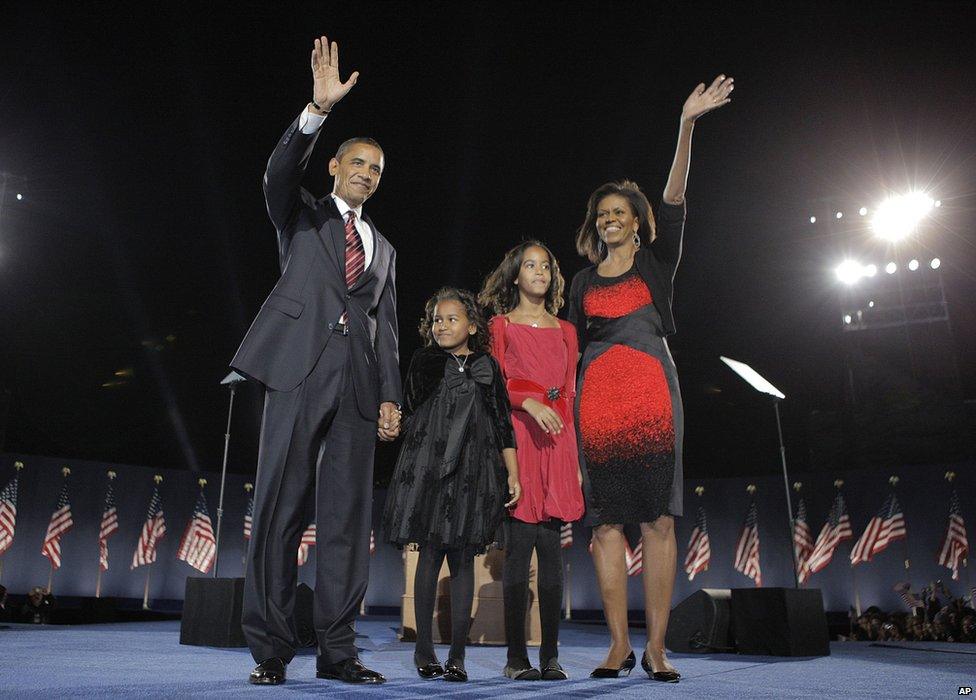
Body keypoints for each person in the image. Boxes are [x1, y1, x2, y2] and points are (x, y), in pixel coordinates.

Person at [230, 36, 402, 686]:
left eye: (377, 169)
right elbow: (276, 175)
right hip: (299, 373)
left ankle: (338, 652)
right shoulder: (299, 215)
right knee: (280, 508)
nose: (366, 173)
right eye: (357, 162)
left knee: (346, 521)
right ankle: (271, 650)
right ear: (334, 165)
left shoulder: (384, 249)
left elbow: (384, 328)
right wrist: (315, 111)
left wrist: (390, 395)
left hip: (358, 389)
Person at [567, 75, 734, 683]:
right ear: (596, 225)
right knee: (606, 523)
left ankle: (658, 649)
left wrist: (685, 124)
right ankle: (617, 647)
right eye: (602, 213)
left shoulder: (660, 263)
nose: (611, 218)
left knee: (659, 521)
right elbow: (568, 351)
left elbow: (674, 199)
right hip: (598, 405)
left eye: (621, 212)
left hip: (653, 398)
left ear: (637, 223)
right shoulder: (581, 284)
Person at [383, 287, 522, 683]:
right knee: (429, 554)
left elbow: (502, 423)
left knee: (463, 559)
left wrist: (512, 472)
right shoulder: (424, 361)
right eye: (436, 320)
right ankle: (424, 650)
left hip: (473, 471)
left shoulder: (487, 366)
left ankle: (458, 654)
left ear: (472, 325)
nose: (441, 325)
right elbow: (406, 408)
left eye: (451, 318)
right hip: (428, 465)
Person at [479, 241, 584, 680]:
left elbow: (570, 394)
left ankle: (552, 657)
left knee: (553, 555)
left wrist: (574, 459)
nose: (539, 271)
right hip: (519, 440)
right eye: (530, 265)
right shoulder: (499, 326)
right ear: (516, 276)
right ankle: (516, 659)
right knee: (519, 551)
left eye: (546, 266)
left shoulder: (566, 331)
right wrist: (528, 402)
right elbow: (492, 386)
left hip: (558, 443)